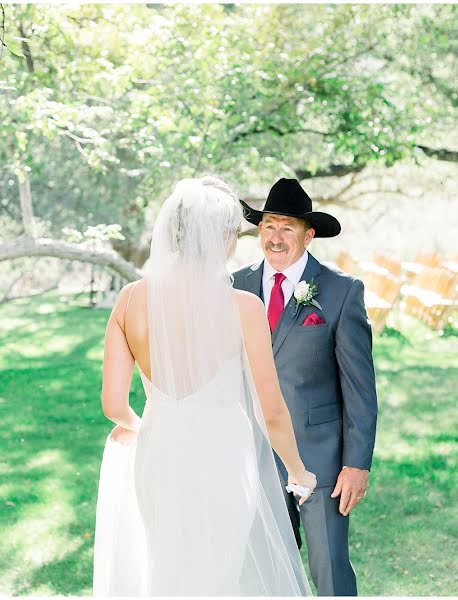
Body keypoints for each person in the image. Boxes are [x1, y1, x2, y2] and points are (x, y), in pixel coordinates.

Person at [93, 176, 317, 595]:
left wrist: (139, 426)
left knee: (167, 572)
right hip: (223, 458)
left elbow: (113, 404)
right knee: (218, 575)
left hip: (158, 454)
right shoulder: (243, 307)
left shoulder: (129, 300)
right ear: (221, 239)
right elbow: (271, 410)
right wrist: (299, 472)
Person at [232, 177, 378, 596]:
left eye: (287, 228)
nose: (275, 238)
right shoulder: (234, 287)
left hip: (321, 459)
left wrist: (357, 465)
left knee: (329, 569)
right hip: (253, 453)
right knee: (263, 570)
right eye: (268, 226)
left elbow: (360, 390)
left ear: (308, 234)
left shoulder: (340, 291)